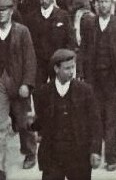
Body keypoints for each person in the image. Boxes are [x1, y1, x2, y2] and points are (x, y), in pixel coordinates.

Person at [79, 0, 116, 171]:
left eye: (107, 1)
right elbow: (83, 50)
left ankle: (111, 157)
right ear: (95, 5)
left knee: (111, 117)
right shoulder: (89, 24)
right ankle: (95, 152)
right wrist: (81, 73)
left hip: (113, 78)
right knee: (94, 116)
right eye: (100, 2)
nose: (103, 5)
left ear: (112, 4)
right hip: (94, 78)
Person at [32, 49, 102, 180]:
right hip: (53, 156)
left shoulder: (85, 91)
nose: (71, 72)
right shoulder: (44, 92)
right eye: (67, 68)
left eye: (73, 67)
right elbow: (41, 123)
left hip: (79, 156)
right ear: (56, 69)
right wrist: (30, 123)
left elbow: (95, 123)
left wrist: (95, 150)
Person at [0, 0, 36, 177]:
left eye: (4, 10)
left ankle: (30, 152)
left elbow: (30, 59)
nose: (1, 14)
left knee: (23, 122)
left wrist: (27, 83)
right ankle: (0, 166)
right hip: (0, 83)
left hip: (18, 81)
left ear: (11, 11)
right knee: (0, 125)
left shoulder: (22, 31)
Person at [25, 0, 75, 87]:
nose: (44, 1)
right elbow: (28, 41)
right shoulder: (32, 17)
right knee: (39, 89)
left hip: (58, 60)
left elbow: (70, 38)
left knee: (58, 87)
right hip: (39, 62)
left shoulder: (62, 15)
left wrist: (66, 58)